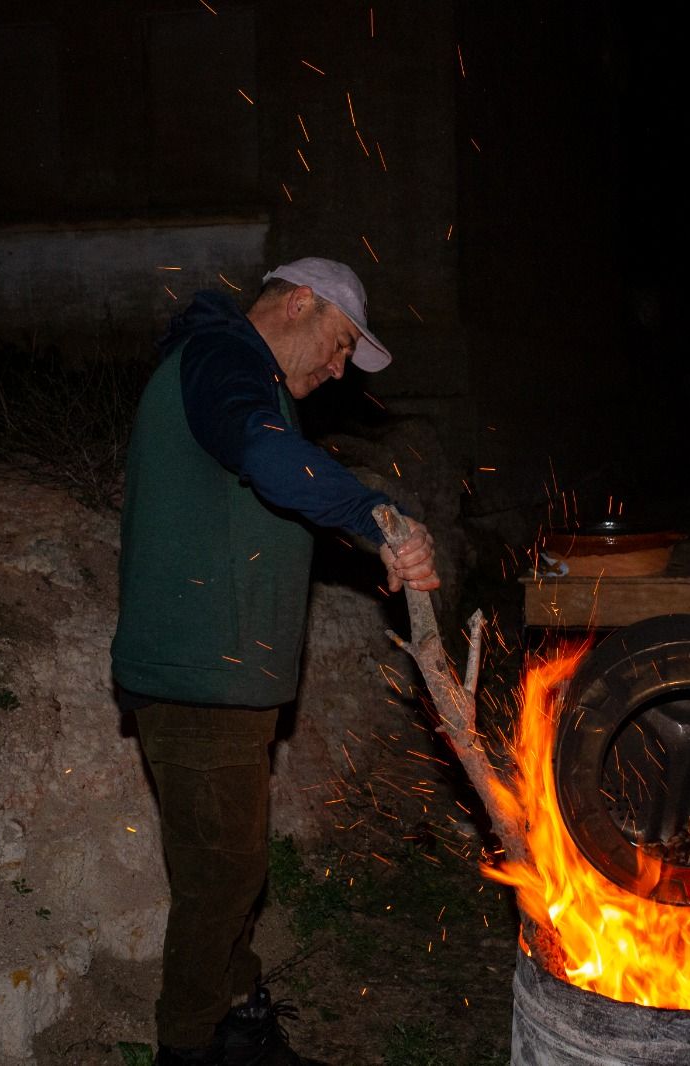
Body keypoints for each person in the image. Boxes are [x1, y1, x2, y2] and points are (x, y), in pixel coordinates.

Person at [111, 257, 440, 1066]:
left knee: (231, 865)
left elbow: (268, 491)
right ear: (300, 304)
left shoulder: (251, 385)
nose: (336, 370)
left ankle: (238, 1023)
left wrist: (365, 532)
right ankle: (189, 1047)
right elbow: (263, 461)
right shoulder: (222, 359)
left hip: (225, 680)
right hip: (196, 677)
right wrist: (374, 513)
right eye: (337, 346)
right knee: (220, 878)